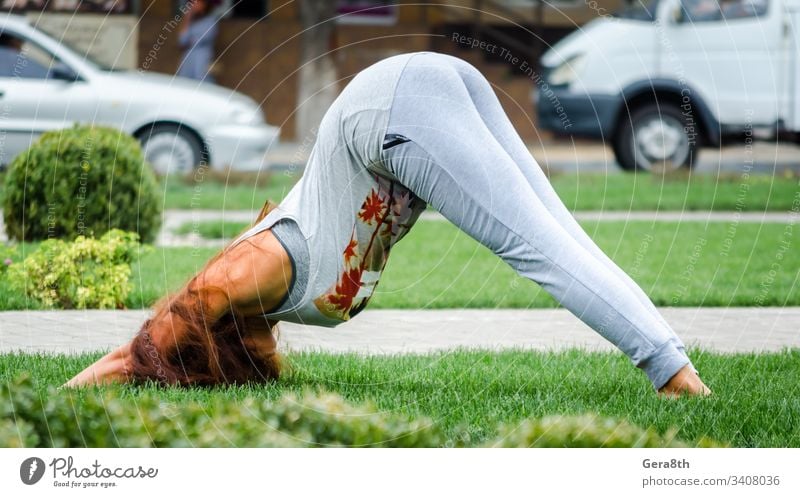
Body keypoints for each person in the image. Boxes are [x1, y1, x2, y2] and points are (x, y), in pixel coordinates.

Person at [65, 51, 711, 397]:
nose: (271, 362)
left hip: (392, 113)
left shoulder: (241, 277)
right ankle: (672, 361)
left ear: (223, 342)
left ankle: (672, 373)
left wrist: (85, 384)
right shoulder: (265, 304)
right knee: (556, 231)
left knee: (536, 244)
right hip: (418, 87)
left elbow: (152, 336)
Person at [176, 0, 219, 82]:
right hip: (188, 58)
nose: (193, 5)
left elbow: (199, 40)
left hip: (202, 58)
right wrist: (187, 19)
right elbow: (182, 41)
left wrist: (190, 40)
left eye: (197, 2)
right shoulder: (191, 22)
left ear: (204, 4)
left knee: (202, 83)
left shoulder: (210, 21)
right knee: (184, 83)